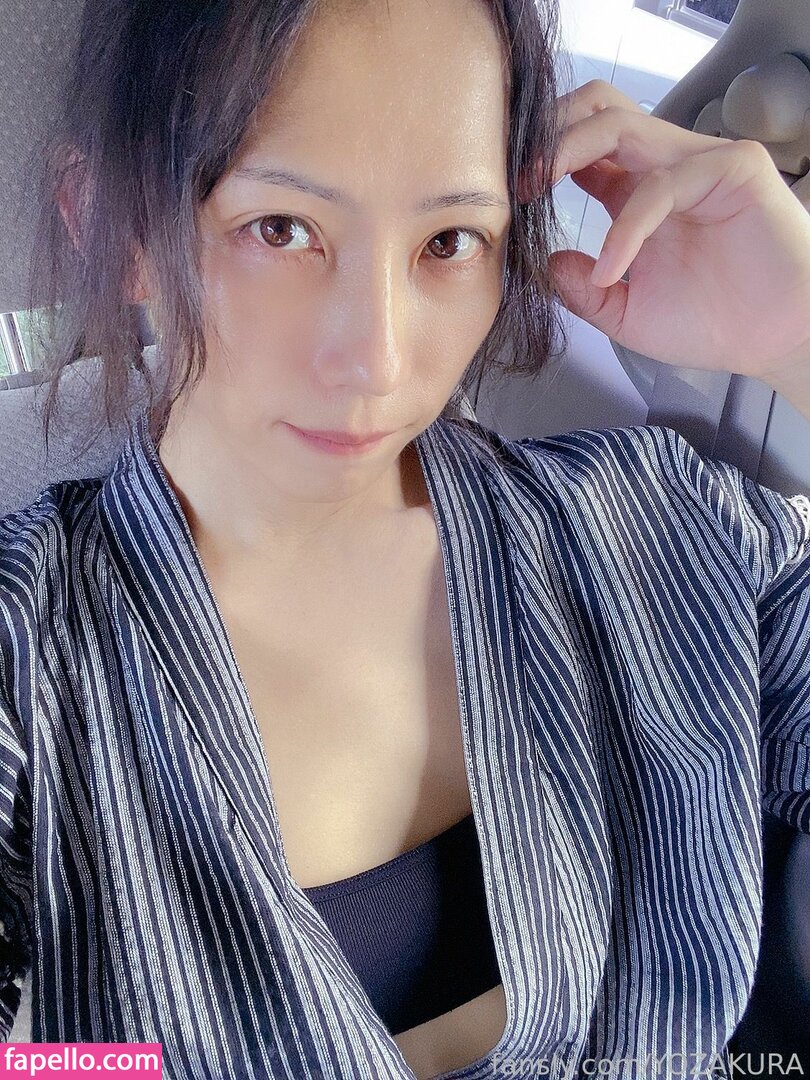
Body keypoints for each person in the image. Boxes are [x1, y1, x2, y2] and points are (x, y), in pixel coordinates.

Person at [1, 0, 809, 1076]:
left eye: (448, 241)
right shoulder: (28, 665)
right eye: (280, 229)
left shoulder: (650, 528)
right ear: (117, 224)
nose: (377, 360)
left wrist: (801, 338)